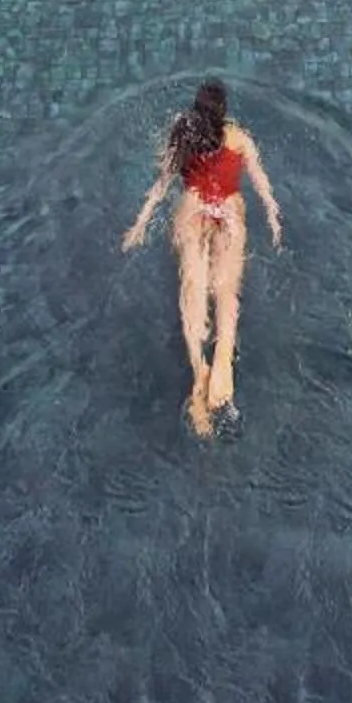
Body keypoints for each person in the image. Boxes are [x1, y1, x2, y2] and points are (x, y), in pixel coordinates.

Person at [122, 79, 282, 436]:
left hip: (194, 208)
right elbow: (261, 182)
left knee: (192, 287)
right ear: (223, 113)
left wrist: (140, 224)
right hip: (228, 211)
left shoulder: (182, 136)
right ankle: (224, 355)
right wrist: (273, 217)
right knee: (226, 290)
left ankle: (200, 370)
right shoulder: (239, 138)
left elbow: (161, 184)